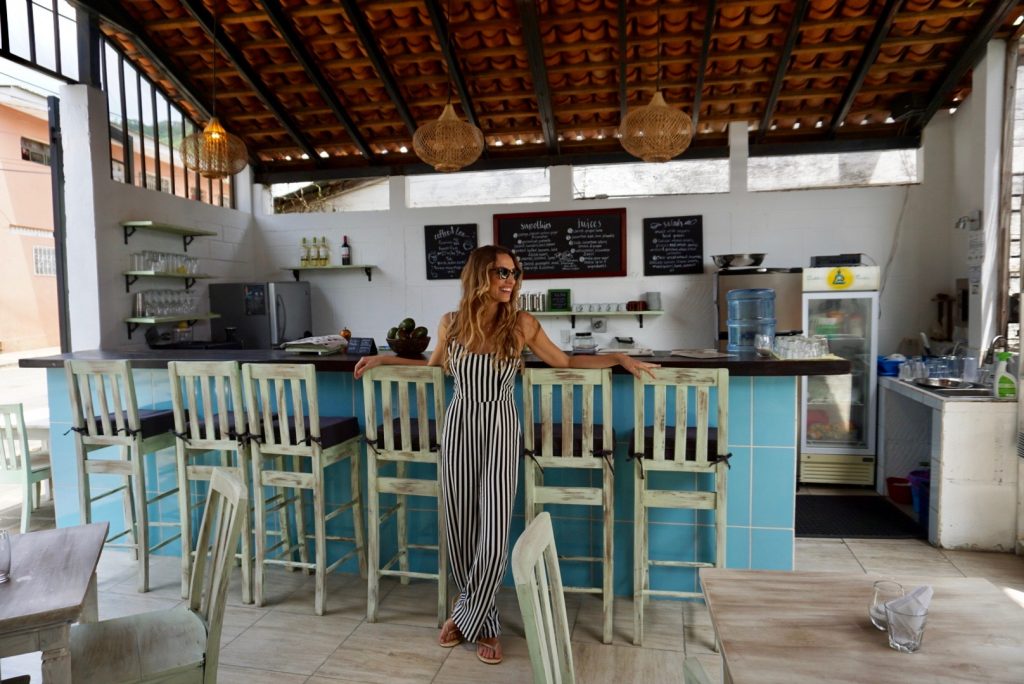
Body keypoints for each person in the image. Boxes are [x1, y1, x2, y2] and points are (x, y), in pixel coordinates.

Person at [354, 245, 658, 665]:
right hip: (458, 427)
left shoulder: (522, 324)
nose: (510, 280)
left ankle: (474, 619)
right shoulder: (451, 323)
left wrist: (621, 358)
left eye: (515, 273)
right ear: (480, 274)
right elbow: (431, 367)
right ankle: (484, 618)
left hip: (500, 429)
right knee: (458, 523)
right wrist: (380, 358)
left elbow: (565, 360)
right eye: (502, 272)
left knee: (494, 527)